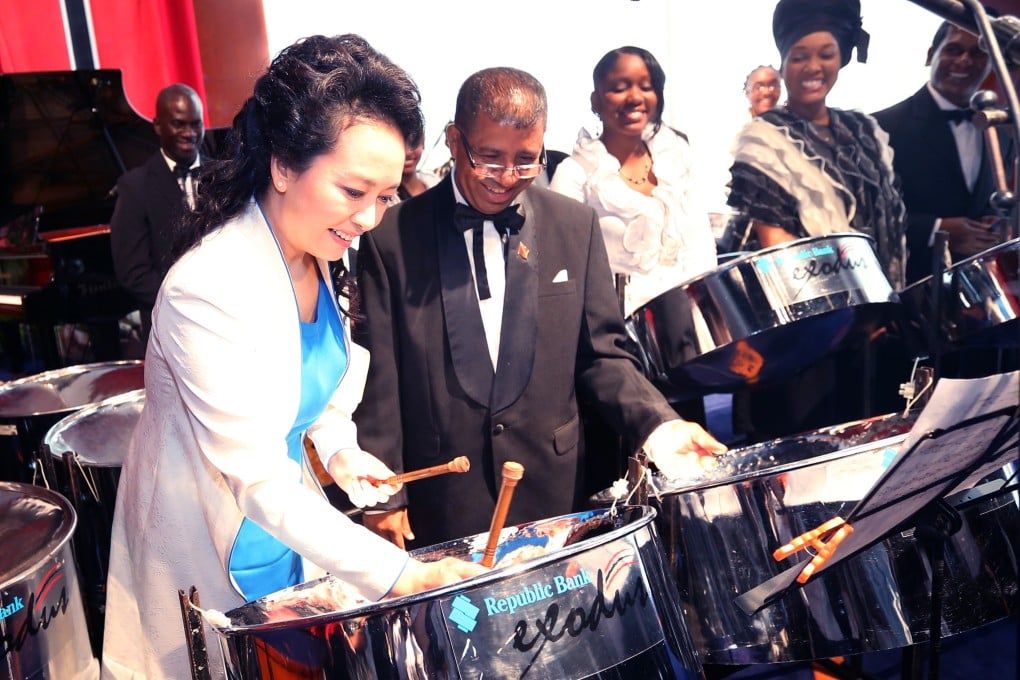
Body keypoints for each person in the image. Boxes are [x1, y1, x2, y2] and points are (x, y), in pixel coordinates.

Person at [101, 34, 485, 680]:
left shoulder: (316, 247)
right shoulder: (209, 287)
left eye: (385, 195)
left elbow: (316, 392)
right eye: (354, 190)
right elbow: (257, 475)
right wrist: (399, 574)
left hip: (287, 532)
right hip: (211, 548)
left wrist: (341, 452)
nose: (370, 218)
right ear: (282, 166)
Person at [353, 66, 727, 551]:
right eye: (488, 158)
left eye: (525, 161)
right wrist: (384, 496)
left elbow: (605, 357)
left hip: (556, 494)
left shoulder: (574, 226)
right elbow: (379, 377)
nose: (506, 178)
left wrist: (660, 426)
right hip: (443, 496)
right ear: (453, 139)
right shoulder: (389, 237)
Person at [726, 0, 908, 441]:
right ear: (784, 63)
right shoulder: (763, 137)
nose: (813, 66)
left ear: (842, 58)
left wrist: (881, 304)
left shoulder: (865, 131)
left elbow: (890, 223)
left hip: (877, 331)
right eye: (800, 56)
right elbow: (776, 243)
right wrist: (849, 310)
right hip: (805, 341)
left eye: (825, 54)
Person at [549, 45, 717, 430]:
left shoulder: (678, 159)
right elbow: (565, 271)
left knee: (690, 449)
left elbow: (700, 247)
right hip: (616, 347)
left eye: (646, 86)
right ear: (596, 99)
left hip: (681, 342)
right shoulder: (576, 175)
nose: (635, 97)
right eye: (619, 87)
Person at [873, 21, 1004, 285]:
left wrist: (997, 224)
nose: (965, 60)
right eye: (954, 50)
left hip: (981, 293)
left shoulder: (1000, 129)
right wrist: (936, 229)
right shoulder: (879, 127)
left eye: (978, 53)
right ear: (931, 55)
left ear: (991, 62)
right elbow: (864, 218)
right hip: (909, 293)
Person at [110, 83, 205, 351]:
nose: (189, 133)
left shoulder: (223, 175)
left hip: (226, 319)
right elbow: (133, 273)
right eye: (178, 124)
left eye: (196, 124)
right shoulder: (134, 187)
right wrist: (188, 303)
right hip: (168, 327)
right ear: (157, 126)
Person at [396, 128, 442, 201]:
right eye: (399, 144)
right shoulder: (387, 198)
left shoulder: (434, 181)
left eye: (413, 143)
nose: (408, 152)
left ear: (423, 145)